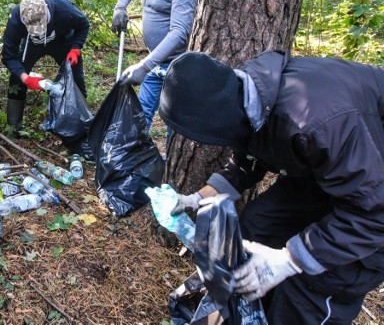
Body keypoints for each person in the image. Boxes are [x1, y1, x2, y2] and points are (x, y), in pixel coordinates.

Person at [160, 50, 384, 323]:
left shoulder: (315, 121)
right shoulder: (247, 96)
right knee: (255, 226)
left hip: (372, 193)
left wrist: (291, 260)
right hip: (336, 171)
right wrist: (195, 198)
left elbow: (372, 214)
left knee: (313, 284)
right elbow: (248, 158)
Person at [112, 0, 202, 130]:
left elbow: (180, 32)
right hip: (156, 61)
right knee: (140, 115)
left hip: (178, 65)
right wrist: (119, 8)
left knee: (175, 124)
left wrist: (143, 67)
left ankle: (172, 160)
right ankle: (135, 156)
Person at [1, 0, 89, 134]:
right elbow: (8, 55)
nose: (38, 30)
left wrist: (76, 48)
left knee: (75, 77)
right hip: (32, 44)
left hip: (62, 41)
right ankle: (13, 127)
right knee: (16, 79)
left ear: (46, 8)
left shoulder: (65, 10)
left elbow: (84, 25)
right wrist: (25, 78)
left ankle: (82, 122)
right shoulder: (16, 18)